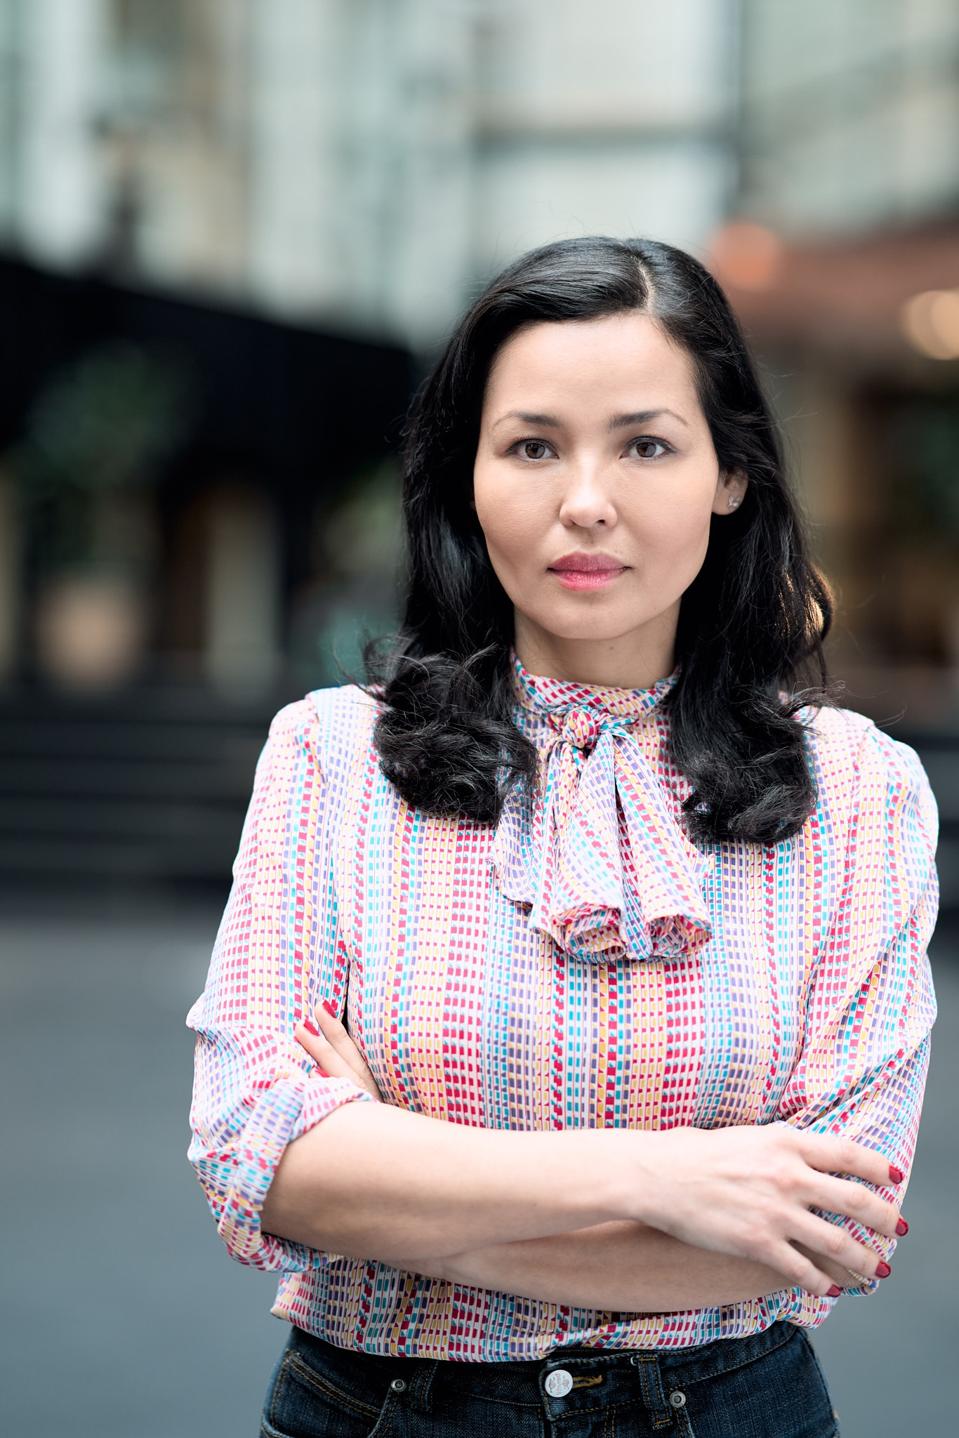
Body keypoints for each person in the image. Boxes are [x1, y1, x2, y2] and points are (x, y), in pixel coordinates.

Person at [185, 235, 939, 1438]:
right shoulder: (332, 756)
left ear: (728, 473)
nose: (583, 499)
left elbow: (826, 1228)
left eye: (644, 443)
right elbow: (252, 1154)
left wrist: (393, 1177)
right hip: (380, 1410)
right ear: (468, 477)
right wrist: (671, 1180)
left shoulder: (857, 791)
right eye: (531, 445)